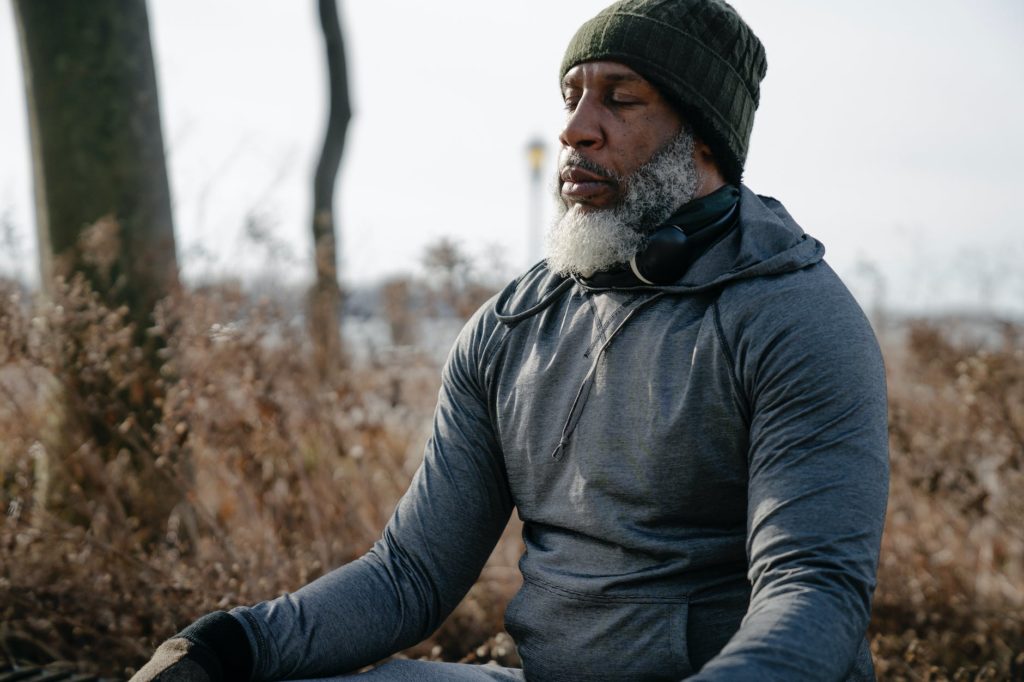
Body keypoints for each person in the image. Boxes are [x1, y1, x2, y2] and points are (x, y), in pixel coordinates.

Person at [132, 0, 889, 680]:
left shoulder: (796, 321)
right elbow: (409, 575)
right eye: (572, 97)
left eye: (620, 100)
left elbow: (813, 592)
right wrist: (228, 646)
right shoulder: (510, 326)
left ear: (702, 142)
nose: (575, 128)